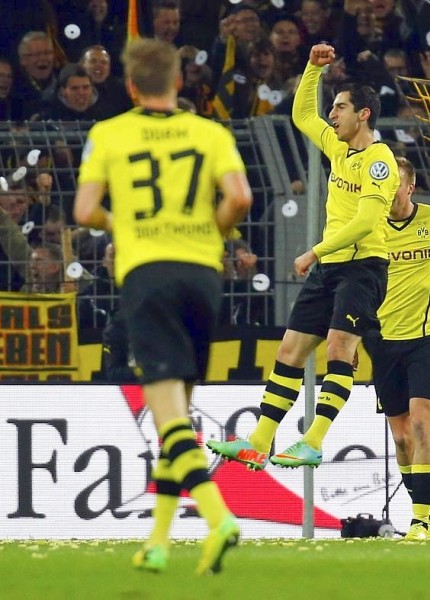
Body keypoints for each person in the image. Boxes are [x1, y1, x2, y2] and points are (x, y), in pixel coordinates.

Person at [73, 38, 252, 575]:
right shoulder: (210, 132)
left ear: (129, 85)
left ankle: (220, 517)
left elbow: (85, 209)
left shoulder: (109, 133)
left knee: (167, 413)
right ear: (178, 82)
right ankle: (158, 541)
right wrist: (206, 232)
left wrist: (125, 226)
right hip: (202, 275)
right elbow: (240, 198)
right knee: (178, 414)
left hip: (147, 275)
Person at [207, 43, 399, 470]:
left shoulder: (379, 159)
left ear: (363, 114)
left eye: (341, 107)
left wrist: (315, 250)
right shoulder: (338, 148)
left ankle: (313, 439)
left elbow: (368, 222)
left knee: (338, 348)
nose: (332, 114)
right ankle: (259, 441)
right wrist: (312, 69)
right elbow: (302, 116)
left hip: (363, 268)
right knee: (290, 351)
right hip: (331, 266)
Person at [362, 157, 430, 540]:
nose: (388, 193)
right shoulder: (368, 227)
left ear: (410, 186)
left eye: (395, 185)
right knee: (402, 437)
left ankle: (421, 519)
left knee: (422, 425)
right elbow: (359, 284)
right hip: (382, 340)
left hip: (426, 337)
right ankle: (424, 511)